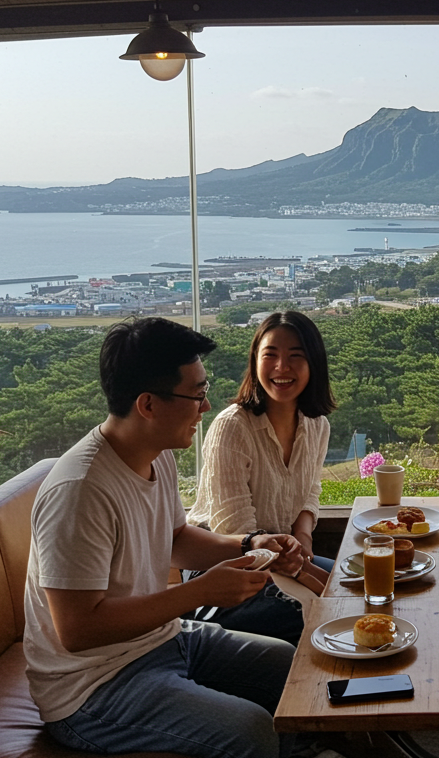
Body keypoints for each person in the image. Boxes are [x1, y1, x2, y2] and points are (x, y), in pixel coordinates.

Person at [23, 317, 303, 758]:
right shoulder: (80, 490)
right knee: (250, 731)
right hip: (92, 686)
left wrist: (251, 544)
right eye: (196, 394)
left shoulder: (157, 454)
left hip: (163, 638)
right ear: (148, 405)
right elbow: (77, 629)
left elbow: (174, 537)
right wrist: (199, 592)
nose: (206, 407)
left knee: (292, 665)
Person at [185, 311, 335, 644]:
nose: (282, 367)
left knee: (364, 585)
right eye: (271, 355)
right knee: (311, 617)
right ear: (255, 361)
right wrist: (302, 570)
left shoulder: (317, 425)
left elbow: (311, 489)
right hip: (226, 563)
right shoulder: (232, 427)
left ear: (315, 364)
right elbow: (233, 527)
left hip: (285, 551)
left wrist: (303, 539)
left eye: (296, 356)